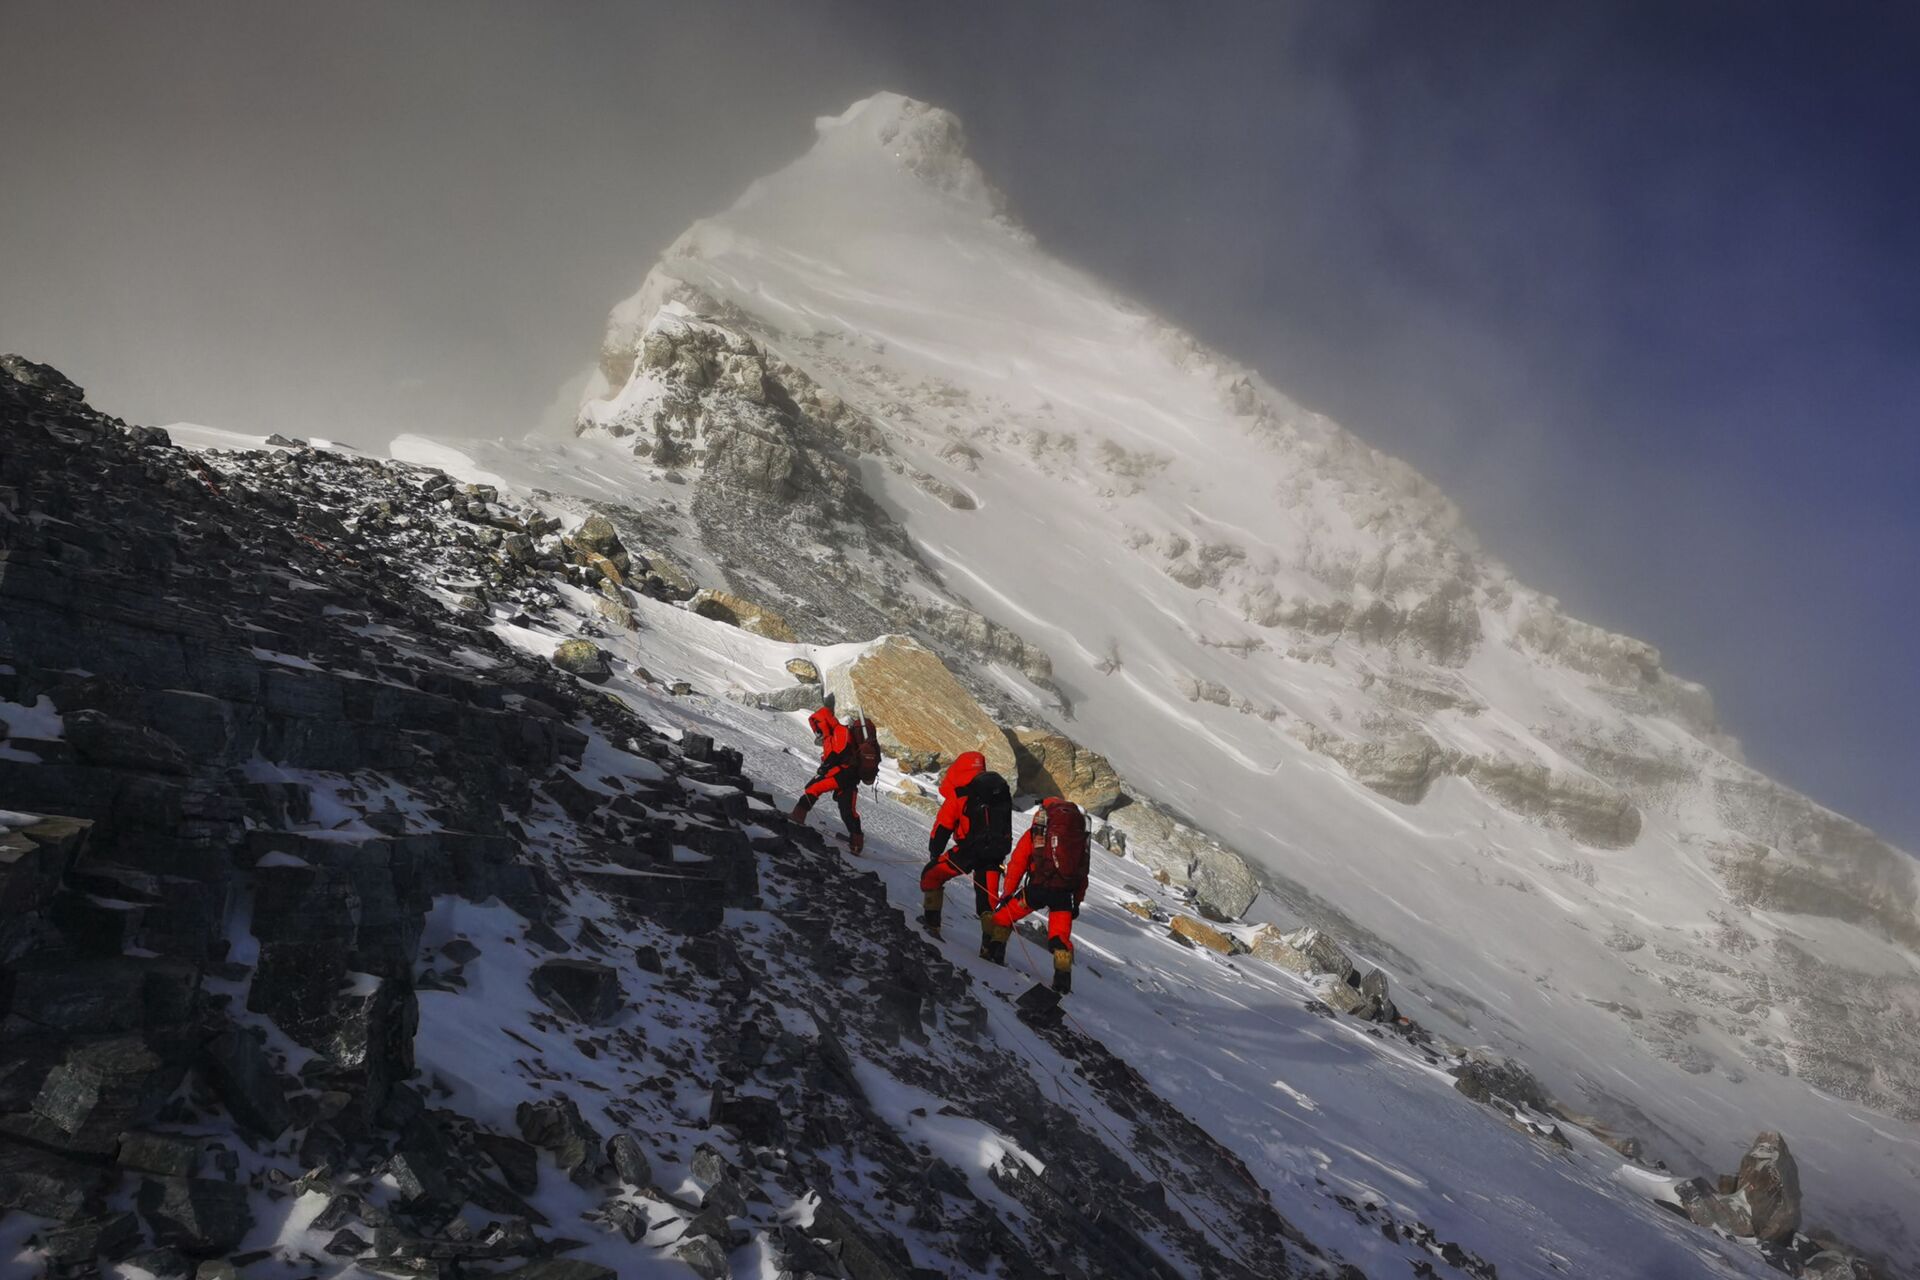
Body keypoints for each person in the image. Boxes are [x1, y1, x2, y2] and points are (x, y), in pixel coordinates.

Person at [983, 798, 1090, 994]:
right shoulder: (1078, 838)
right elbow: (1082, 874)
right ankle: (1062, 985)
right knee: (1060, 939)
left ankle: (993, 955)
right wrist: (1077, 901)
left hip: (1036, 890)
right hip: (1064, 895)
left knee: (1003, 918)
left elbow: (1017, 864)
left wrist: (1007, 893)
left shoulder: (1038, 831)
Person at [918, 751, 1012, 947]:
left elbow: (943, 826)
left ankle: (931, 924)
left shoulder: (961, 791)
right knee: (988, 904)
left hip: (968, 852)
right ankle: (991, 951)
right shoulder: (998, 791)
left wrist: (935, 853)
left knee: (932, 875)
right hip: (994, 856)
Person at [788, 704, 864, 854]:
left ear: (824, 722)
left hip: (845, 774)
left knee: (813, 788)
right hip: (844, 775)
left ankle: (798, 816)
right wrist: (825, 767)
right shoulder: (830, 736)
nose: (817, 731)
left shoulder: (840, 731)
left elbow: (840, 753)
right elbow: (834, 756)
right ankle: (857, 844)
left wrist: (825, 766)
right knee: (847, 810)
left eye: (818, 727)